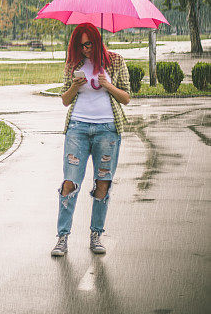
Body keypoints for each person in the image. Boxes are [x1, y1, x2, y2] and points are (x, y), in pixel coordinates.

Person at [51, 23, 131, 257]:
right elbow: (65, 100)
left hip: (107, 129)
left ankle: (96, 235)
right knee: (70, 183)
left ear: (97, 41)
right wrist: (74, 87)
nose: (85, 49)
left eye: (88, 44)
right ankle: (62, 238)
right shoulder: (73, 65)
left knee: (102, 182)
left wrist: (107, 84)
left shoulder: (115, 61)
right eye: (80, 45)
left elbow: (126, 98)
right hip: (77, 128)